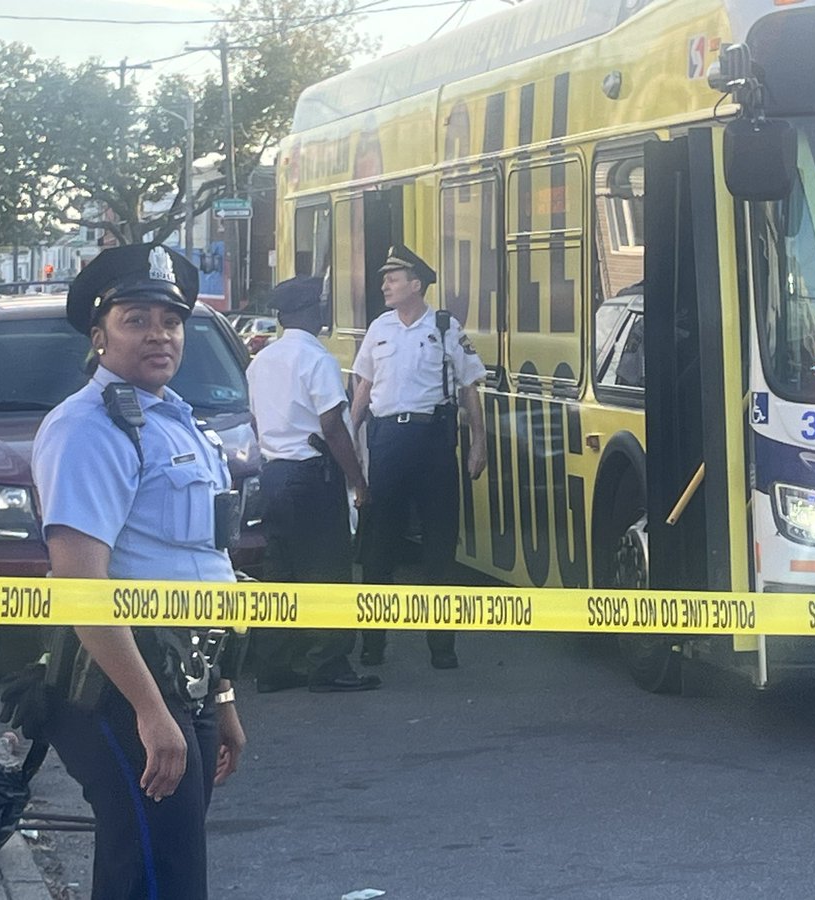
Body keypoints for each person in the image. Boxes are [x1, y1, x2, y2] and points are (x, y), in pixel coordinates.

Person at [30, 244, 247, 900]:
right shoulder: (89, 429)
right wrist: (151, 711)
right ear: (98, 338)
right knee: (157, 877)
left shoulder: (181, 424)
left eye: (171, 319)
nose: (159, 333)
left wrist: (223, 696)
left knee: (163, 870)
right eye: (136, 319)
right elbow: (80, 583)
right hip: (121, 689)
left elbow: (208, 567)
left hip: (190, 678)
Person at [351, 245, 487, 669]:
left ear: (416, 284)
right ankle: (373, 644)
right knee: (379, 548)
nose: (385, 285)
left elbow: (469, 389)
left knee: (439, 549)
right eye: (385, 278)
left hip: (433, 443)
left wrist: (479, 442)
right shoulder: (379, 328)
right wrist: (346, 435)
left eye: (393, 278)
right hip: (388, 441)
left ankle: (442, 646)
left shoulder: (445, 326)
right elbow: (363, 390)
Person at [246, 276, 379, 693]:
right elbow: (332, 426)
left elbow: (254, 420)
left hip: (273, 474)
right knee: (328, 571)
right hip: (311, 474)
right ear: (309, 313)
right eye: (319, 307)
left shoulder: (261, 361)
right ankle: (329, 664)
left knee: (279, 572)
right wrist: (358, 480)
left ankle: (275, 664)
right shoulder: (317, 359)